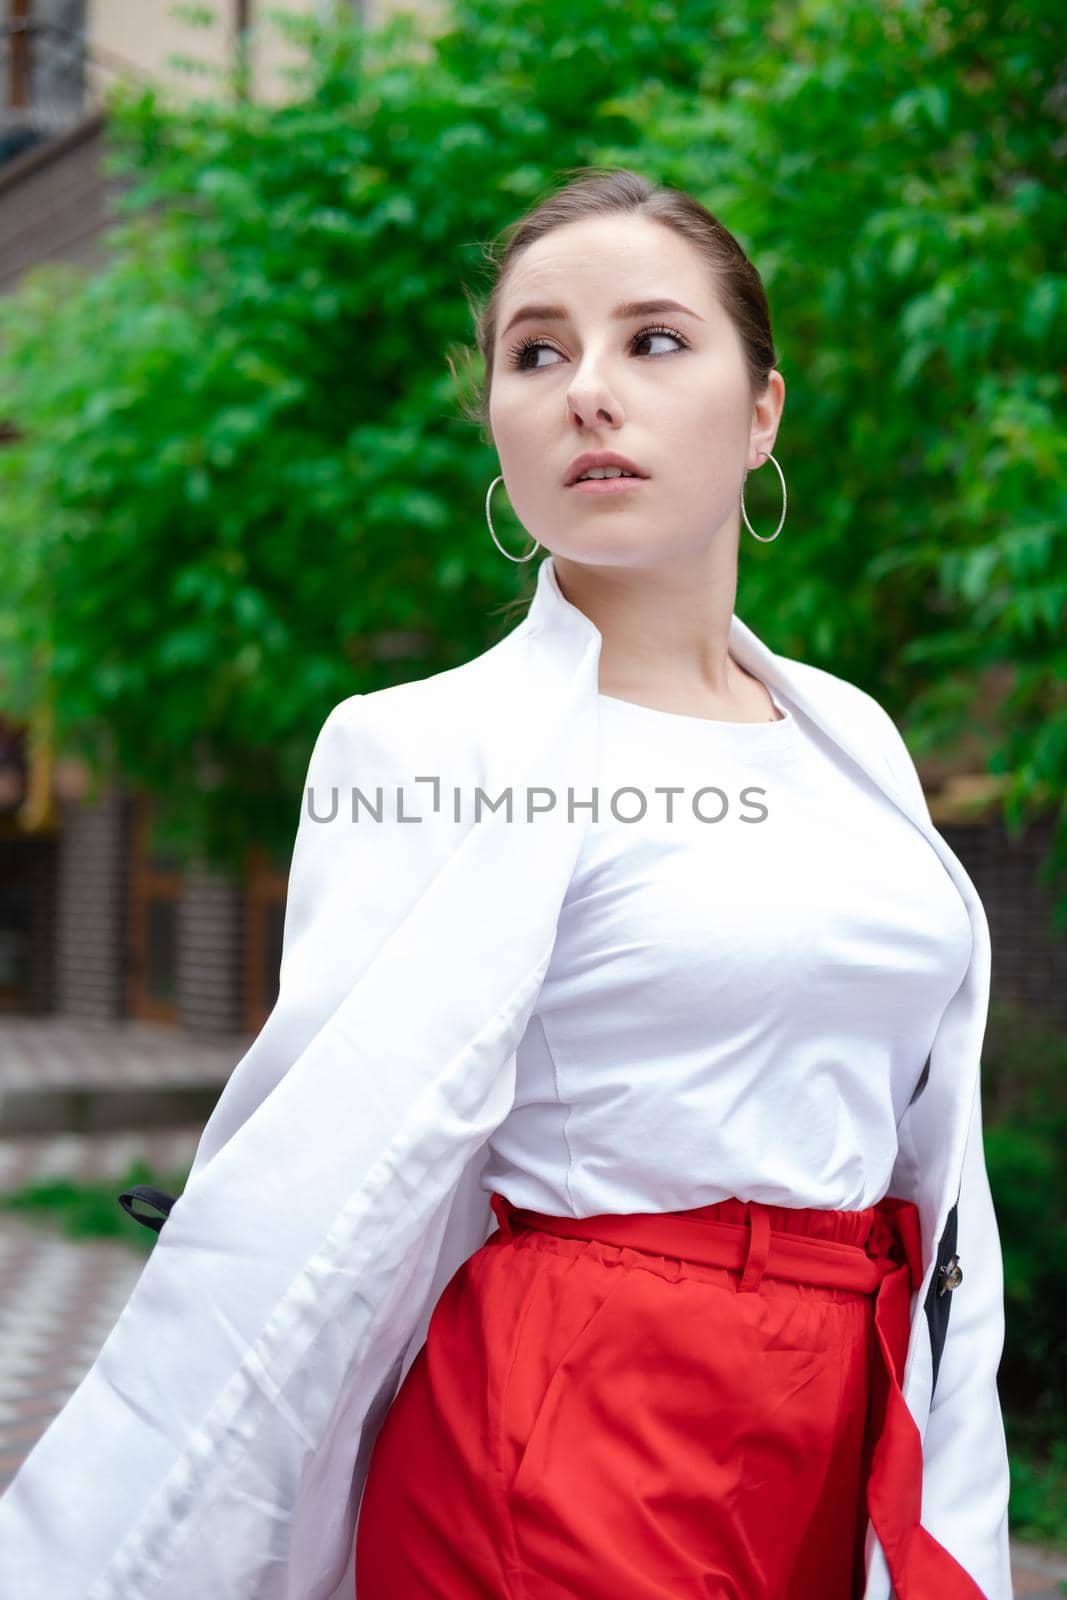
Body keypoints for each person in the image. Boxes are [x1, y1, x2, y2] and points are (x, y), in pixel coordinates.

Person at [0, 168, 1010, 1600]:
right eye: (537, 352)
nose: (590, 390)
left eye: (654, 341)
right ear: (497, 424)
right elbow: (314, 1186)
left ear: (763, 408)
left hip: (842, 1420)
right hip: (562, 1433)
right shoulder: (422, 748)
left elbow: (935, 1153)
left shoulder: (855, 739)